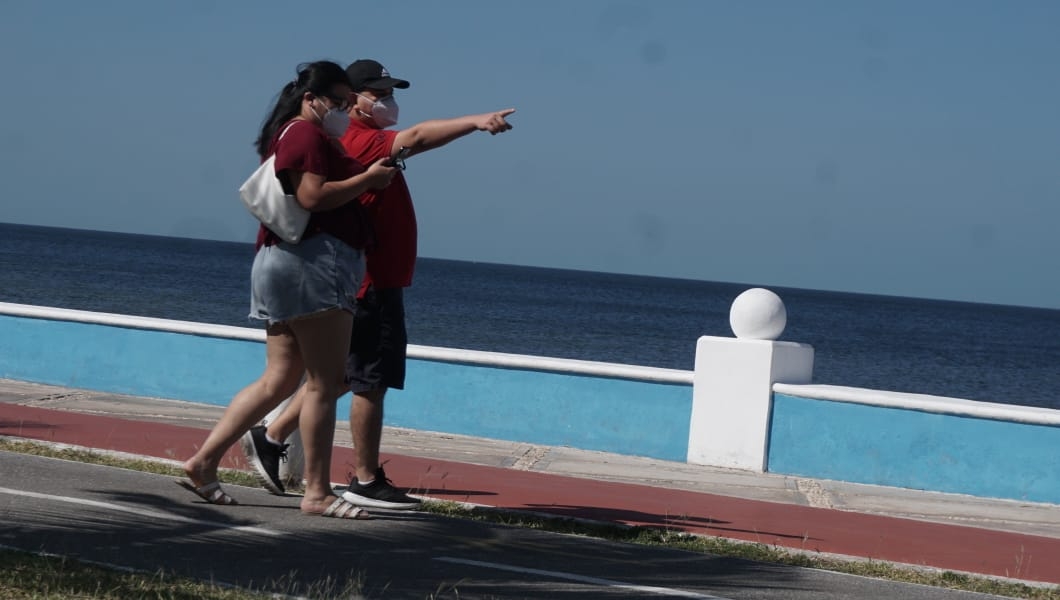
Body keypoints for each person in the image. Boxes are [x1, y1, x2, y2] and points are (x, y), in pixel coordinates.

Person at [241, 59, 515, 510]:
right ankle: (365, 479)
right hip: (369, 281)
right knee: (370, 379)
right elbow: (420, 136)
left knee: (342, 377)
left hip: (367, 278)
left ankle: (270, 436)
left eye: (391, 92)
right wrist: (475, 122)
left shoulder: (343, 139)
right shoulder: (361, 140)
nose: (388, 102)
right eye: (380, 93)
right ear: (355, 99)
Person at [177, 60, 396, 519]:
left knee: (279, 378)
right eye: (336, 102)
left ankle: (203, 462)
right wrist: (368, 181)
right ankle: (316, 492)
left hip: (285, 264)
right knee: (326, 382)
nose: (341, 110)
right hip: (314, 265)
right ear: (310, 98)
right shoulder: (306, 135)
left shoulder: (289, 134)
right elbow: (313, 197)